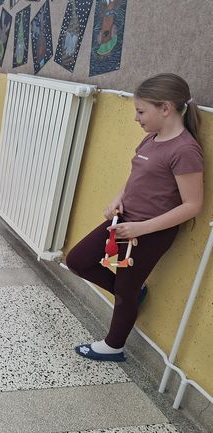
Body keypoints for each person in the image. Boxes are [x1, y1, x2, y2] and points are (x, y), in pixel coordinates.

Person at [66, 73, 203, 362]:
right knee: (77, 260)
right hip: (125, 221)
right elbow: (136, 176)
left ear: (165, 108)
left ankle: (113, 346)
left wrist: (141, 228)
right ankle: (132, 292)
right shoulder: (151, 138)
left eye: (141, 112)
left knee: (124, 292)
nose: (136, 119)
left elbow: (192, 205)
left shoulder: (185, 150)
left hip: (149, 233)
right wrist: (118, 198)